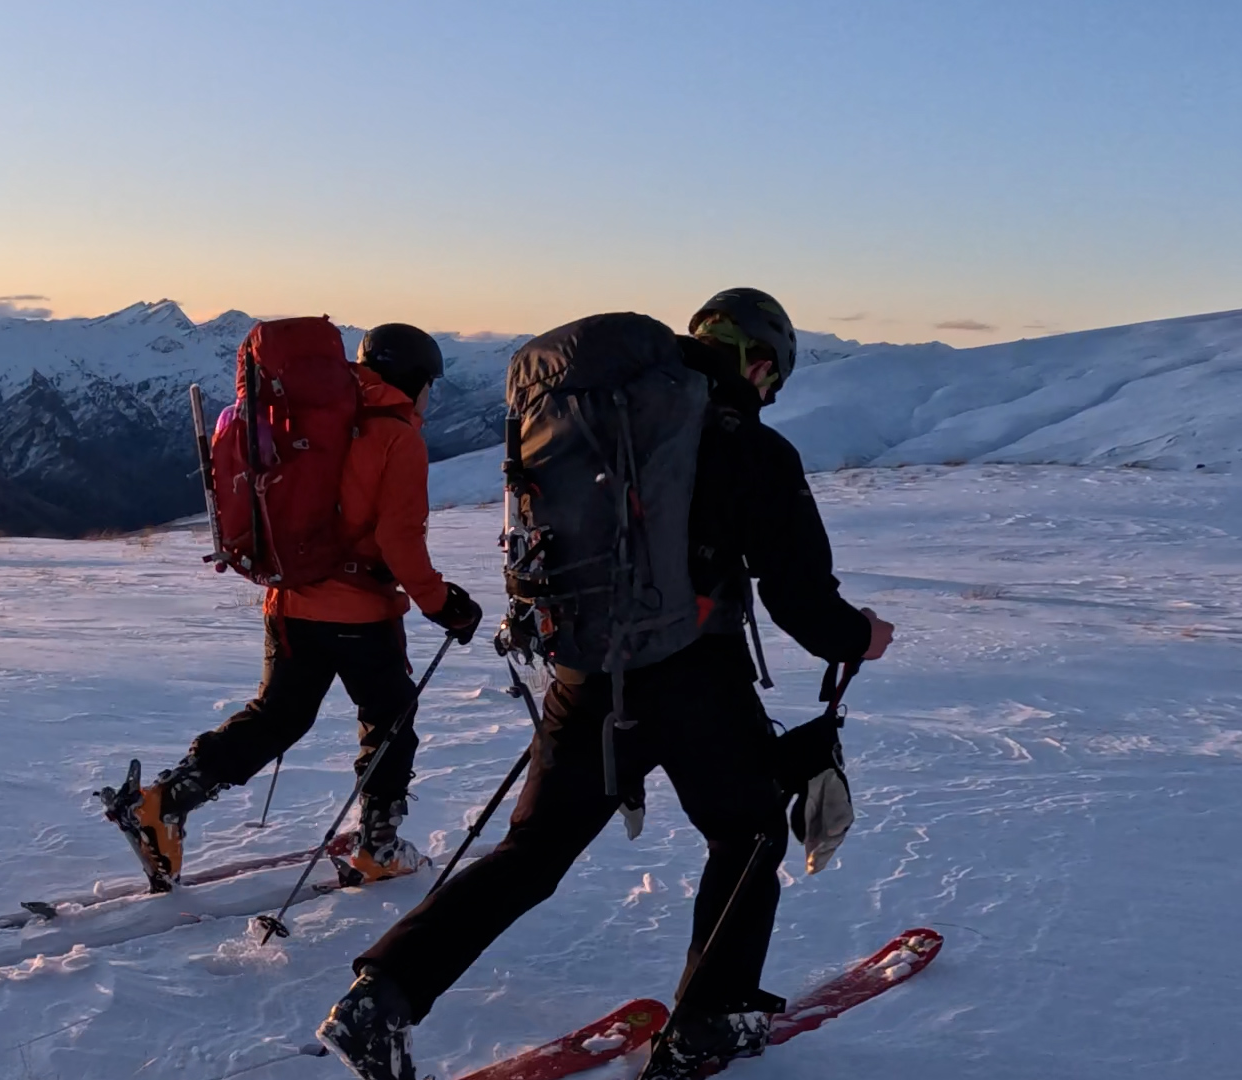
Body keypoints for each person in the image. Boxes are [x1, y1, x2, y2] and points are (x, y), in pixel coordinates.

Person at [317, 290, 896, 1080]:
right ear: (757, 364)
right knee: (748, 834)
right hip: (695, 676)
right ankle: (709, 1020)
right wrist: (860, 637)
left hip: (586, 669)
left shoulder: (591, 419)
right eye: (771, 377)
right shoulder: (750, 447)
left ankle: (381, 995)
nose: (768, 393)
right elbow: (797, 597)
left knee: (530, 853)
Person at [110, 323, 486, 890]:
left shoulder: (309, 415)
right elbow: (398, 541)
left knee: (278, 716)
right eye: (430, 383)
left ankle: (162, 803)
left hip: (289, 604)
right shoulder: (396, 436)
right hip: (361, 615)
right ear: (414, 379)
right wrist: (442, 603)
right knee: (390, 721)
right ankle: (378, 848)